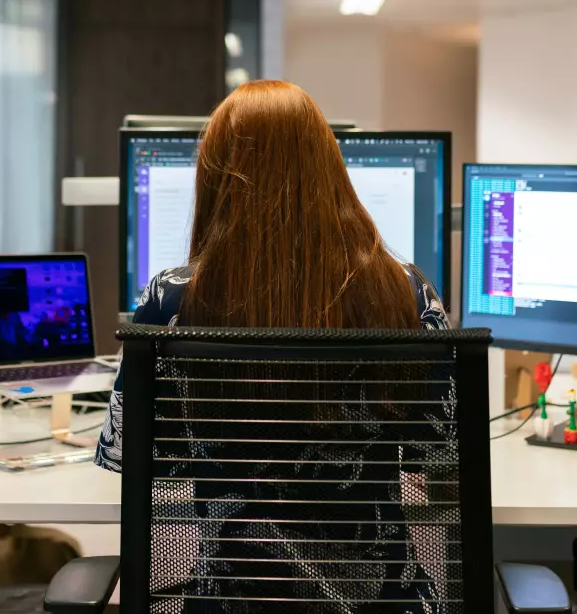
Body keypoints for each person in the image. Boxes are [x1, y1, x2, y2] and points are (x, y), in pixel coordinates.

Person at [93, 80, 452, 608]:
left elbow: (132, 455)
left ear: (215, 179)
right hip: (381, 601)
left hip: (232, 602)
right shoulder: (405, 290)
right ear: (329, 170)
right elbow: (444, 458)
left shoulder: (171, 301)